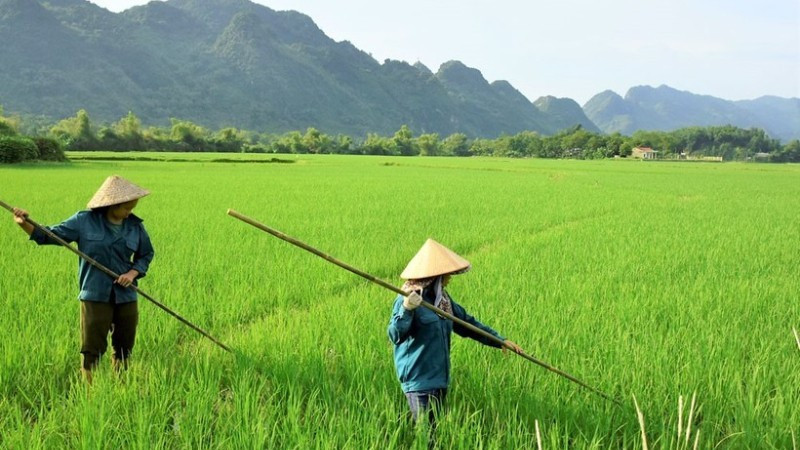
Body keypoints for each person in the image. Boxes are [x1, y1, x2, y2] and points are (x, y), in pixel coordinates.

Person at [12, 175, 154, 384]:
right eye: (126, 208)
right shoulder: (84, 221)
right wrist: (24, 223)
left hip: (126, 295)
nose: (129, 212)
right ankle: (90, 391)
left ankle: (122, 387)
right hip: (95, 294)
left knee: (124, 345)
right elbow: (48, 236)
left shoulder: (135, 226)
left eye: (132, 207)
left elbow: (146, 254)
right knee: (92, 347)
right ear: (112, 204)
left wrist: (132, 274)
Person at [387, 238, 524, 425]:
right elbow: (395, 334)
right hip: (418, 380)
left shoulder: (443, 301)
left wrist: (499, 340)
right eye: (446, 275)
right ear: (435, 277)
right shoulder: (408, 298)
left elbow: (468, 324)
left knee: (435, 431)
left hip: (440, 378)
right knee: (426, 436)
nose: (449, 279)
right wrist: (407, 309)